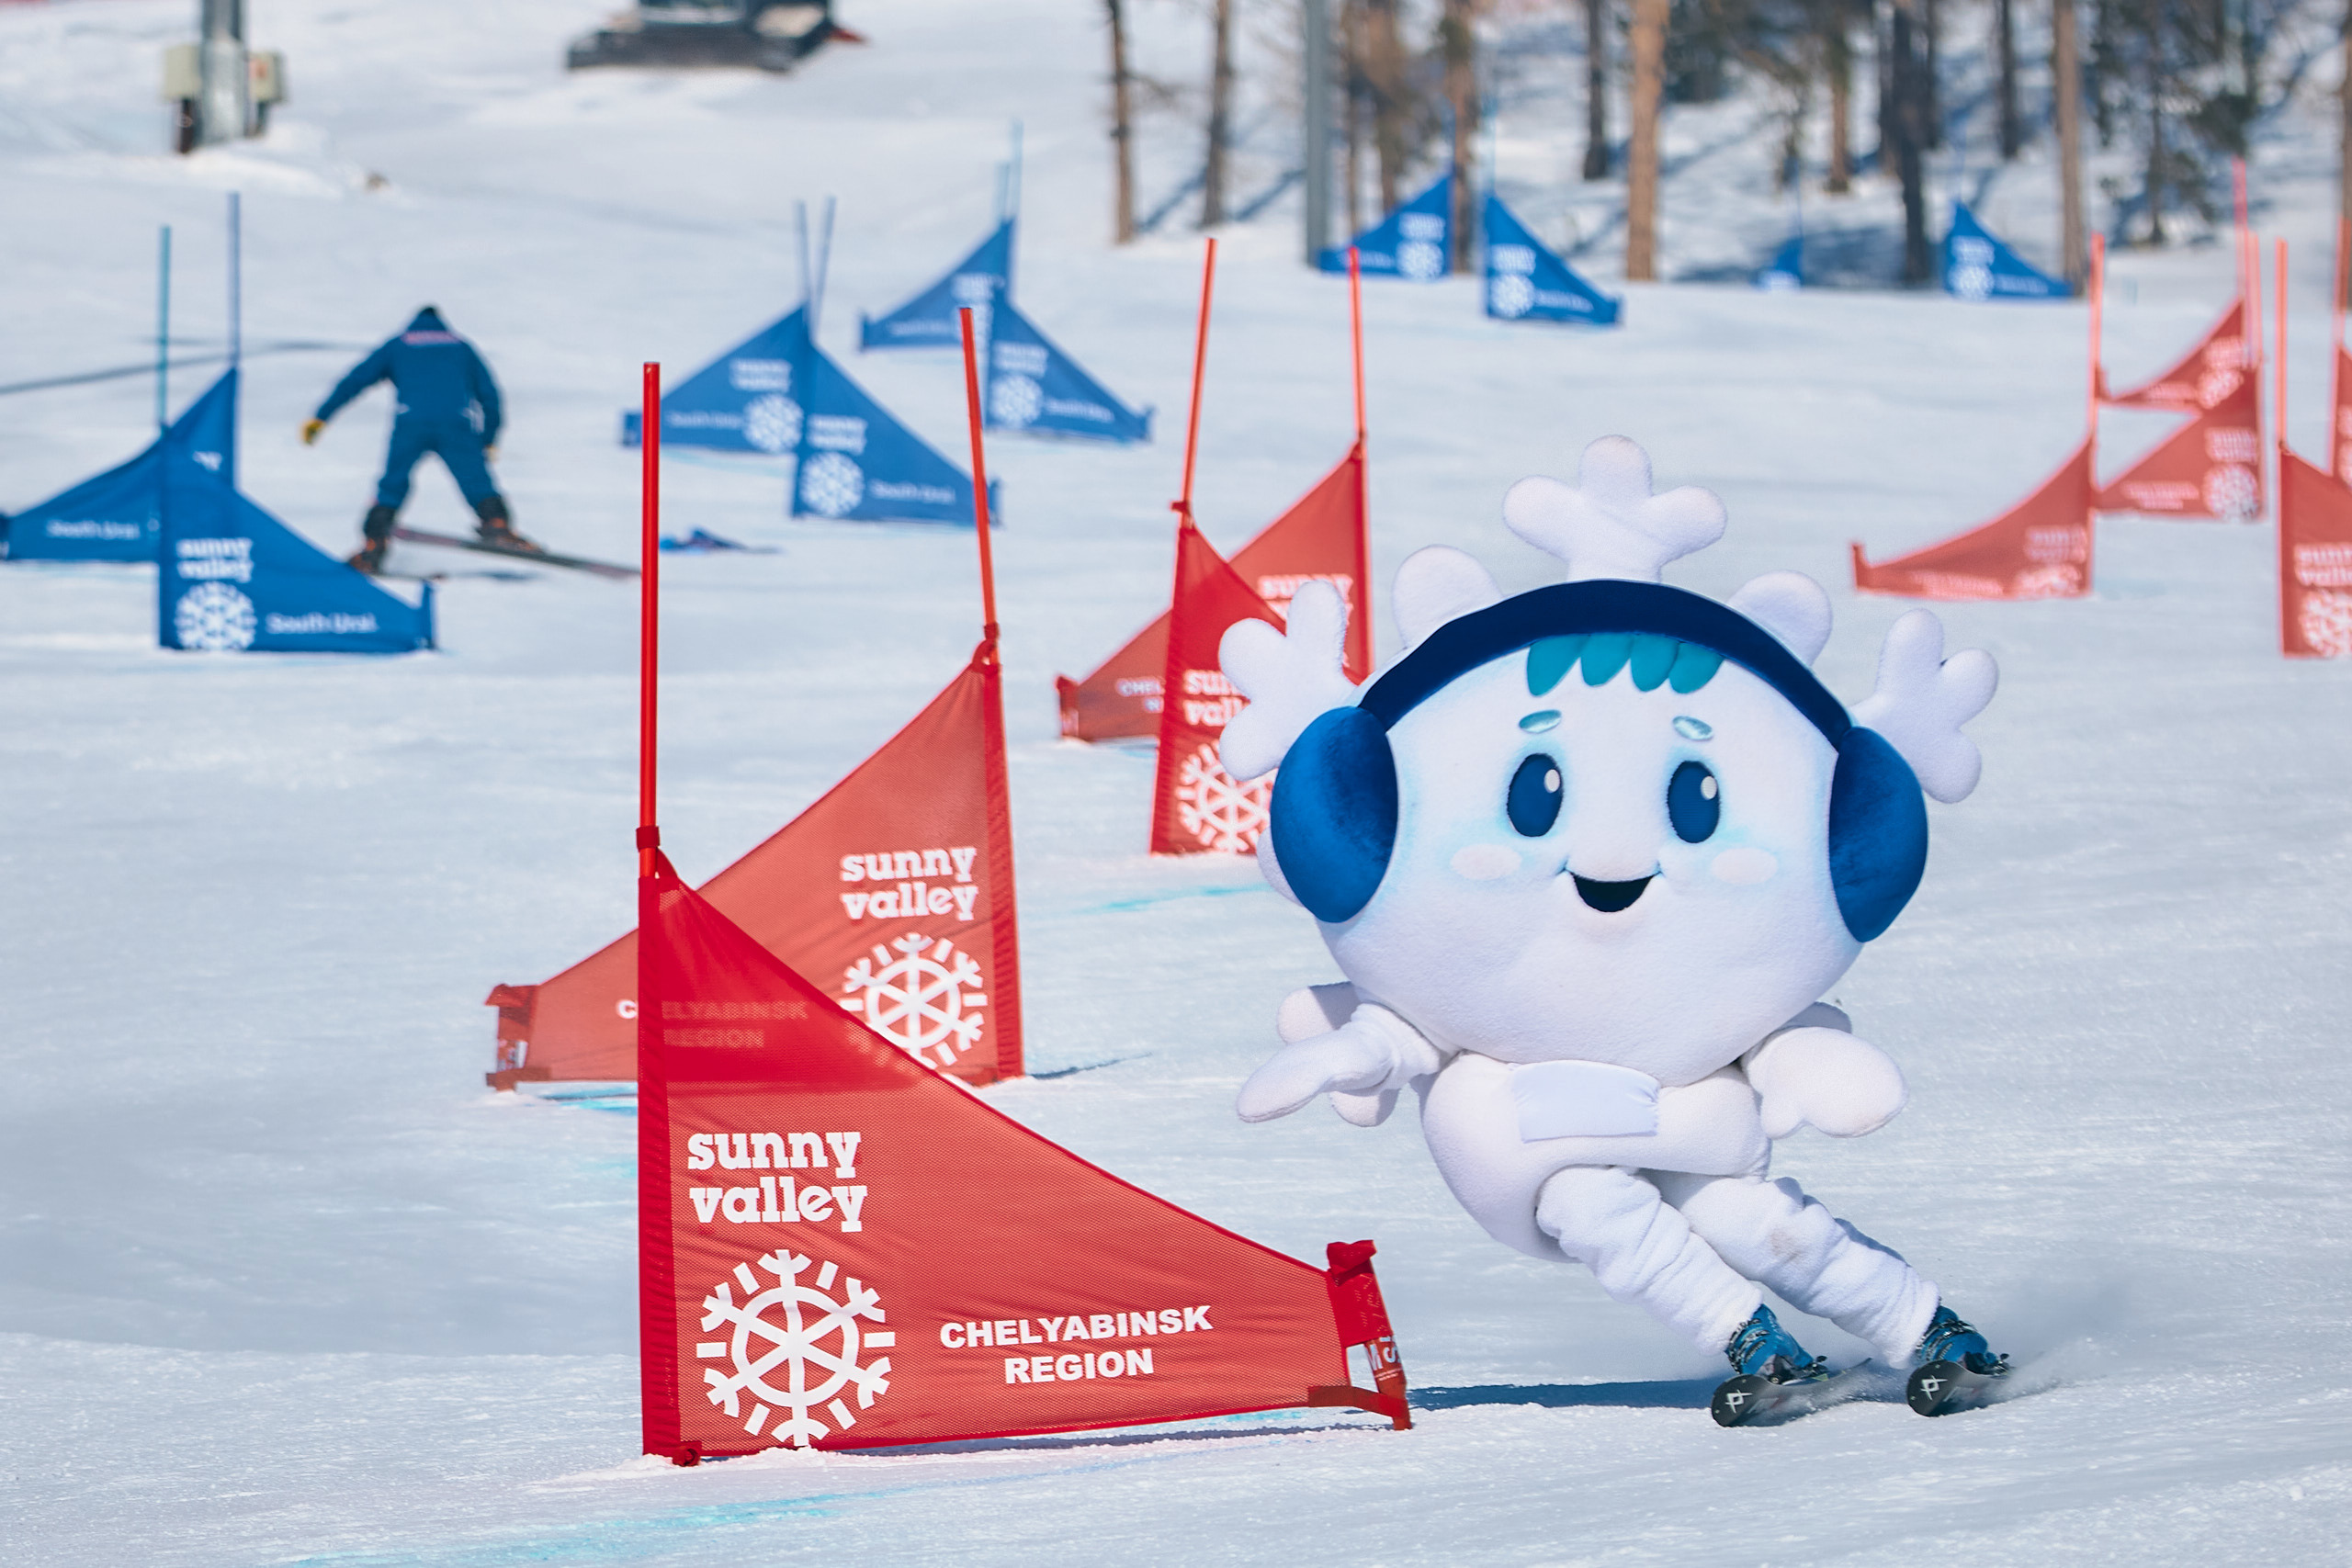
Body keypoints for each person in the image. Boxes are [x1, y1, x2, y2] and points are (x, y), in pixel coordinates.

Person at [303, 306, 537, 572]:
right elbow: (490, 395)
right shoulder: (461, 346)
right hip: (456, 423)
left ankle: (374, 543)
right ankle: (498, 527)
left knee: (392, 484)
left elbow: (356, 380)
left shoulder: (399, 344)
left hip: (410, 423)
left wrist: (321, 418)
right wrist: (489, 439)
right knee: (476, 480)